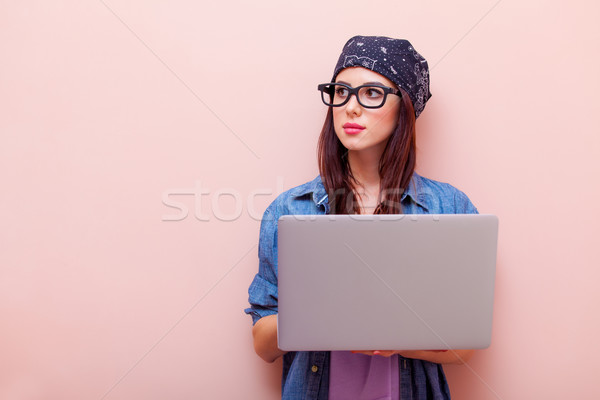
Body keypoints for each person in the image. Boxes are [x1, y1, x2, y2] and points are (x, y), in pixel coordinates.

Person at [245, 36, 478, 400]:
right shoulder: (290, 209)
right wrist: (325, 312)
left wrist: (398, 338)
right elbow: (263, 345)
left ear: (405, 108)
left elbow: (462, 346)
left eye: (371, 94)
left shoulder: (448, 206)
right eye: (341, 92)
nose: (350, 108)